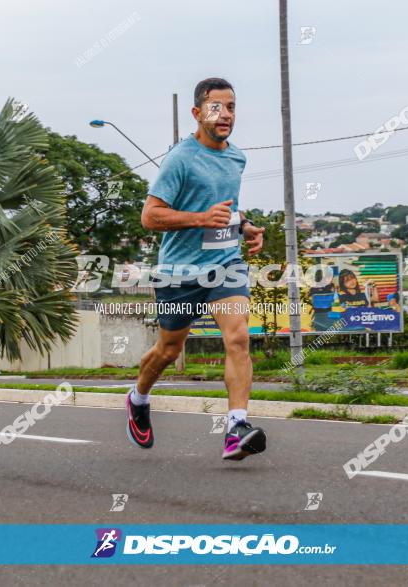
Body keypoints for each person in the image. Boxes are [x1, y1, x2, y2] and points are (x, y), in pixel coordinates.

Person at [128, 77, 267, 460]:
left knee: (238, 337)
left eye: (232, 107)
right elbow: (150, 217)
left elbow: (226, 208)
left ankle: (236, 426)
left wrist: (245, 226)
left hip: (227, 264)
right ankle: (138, 397)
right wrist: (200, 218)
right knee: (169, 350)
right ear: (197, 113)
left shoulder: (237, 157)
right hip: (180, 270)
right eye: (215, 107)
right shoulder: (180, 159)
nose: (225, 115)